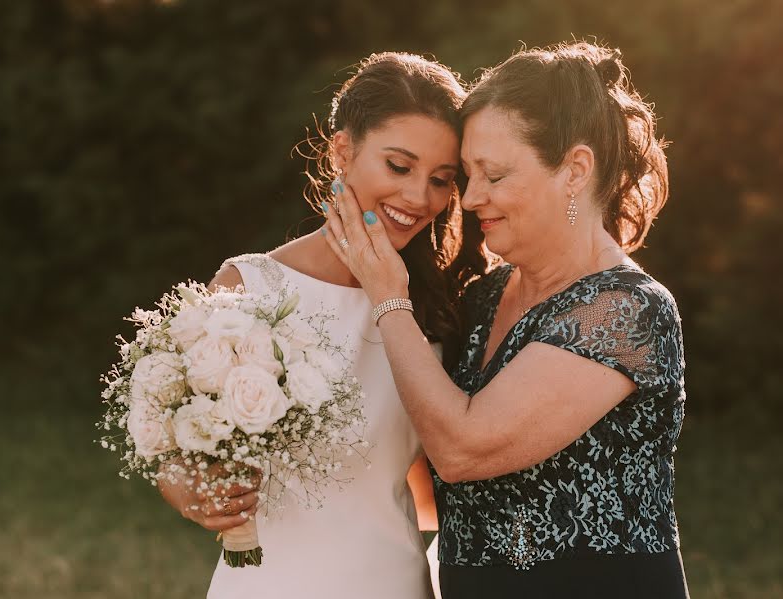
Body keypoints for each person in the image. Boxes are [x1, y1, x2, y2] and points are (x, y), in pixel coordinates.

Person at [323, 42, 689, 599]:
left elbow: (462, 450)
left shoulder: (625, 310)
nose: (469, 199)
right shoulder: (483, 298)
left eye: (492, 175)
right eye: (466, 176)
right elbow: (425, 482)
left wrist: (388, 296)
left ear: (575, 169)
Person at [158, 52, 482, 598]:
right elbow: (178, 453)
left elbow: (439, 479)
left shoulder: (443, 304)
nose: (417, 197)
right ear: (342, 150)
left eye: (440, 180)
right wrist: (193, 495)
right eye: (399, 167)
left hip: (394, 582)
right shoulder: (248, 288)